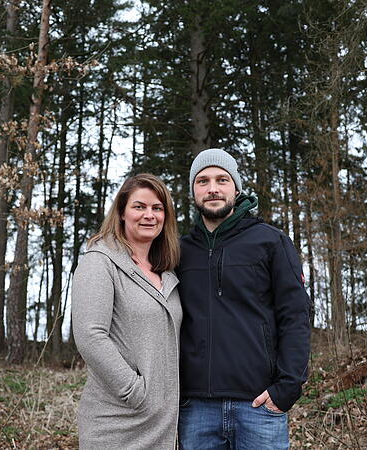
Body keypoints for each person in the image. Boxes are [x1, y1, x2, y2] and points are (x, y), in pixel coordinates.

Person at [177, 149, 312, 449]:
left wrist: (287, 388)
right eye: (203, 181)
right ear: (193, 191)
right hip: (196, 409)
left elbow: (295, 316)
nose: (213, 188)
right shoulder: (179, 251)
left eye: (222, 180)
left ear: (236, 189)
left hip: (259, 405)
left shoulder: (270, 241)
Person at [72, 173, 182, 449]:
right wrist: (135, 392)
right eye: (139, 207)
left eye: (157, 208)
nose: (149, 215)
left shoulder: (167, 271)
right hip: (116, 420)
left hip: (163, 423)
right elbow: (90, 336)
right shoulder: (99, 262)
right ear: (122, 212)